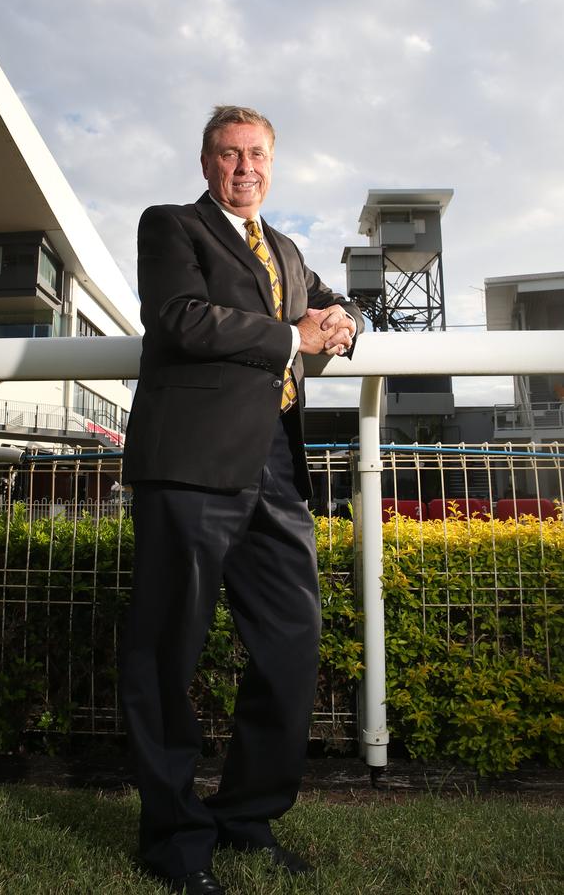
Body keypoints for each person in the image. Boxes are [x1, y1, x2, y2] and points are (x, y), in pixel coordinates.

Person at [120, 106, 363, 895]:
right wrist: (293, 336)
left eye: (257, 154)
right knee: (166, 657)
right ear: (205, 163)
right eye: (229, 155)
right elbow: (183, 320)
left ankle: (246, 818)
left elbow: (335, 304)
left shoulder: (287, 249)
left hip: (277, 474)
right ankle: (175, 840)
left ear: (272, 163)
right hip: (188, 469)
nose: (244, 168)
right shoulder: (171, 228)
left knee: (293, 645)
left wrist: (343, 320)